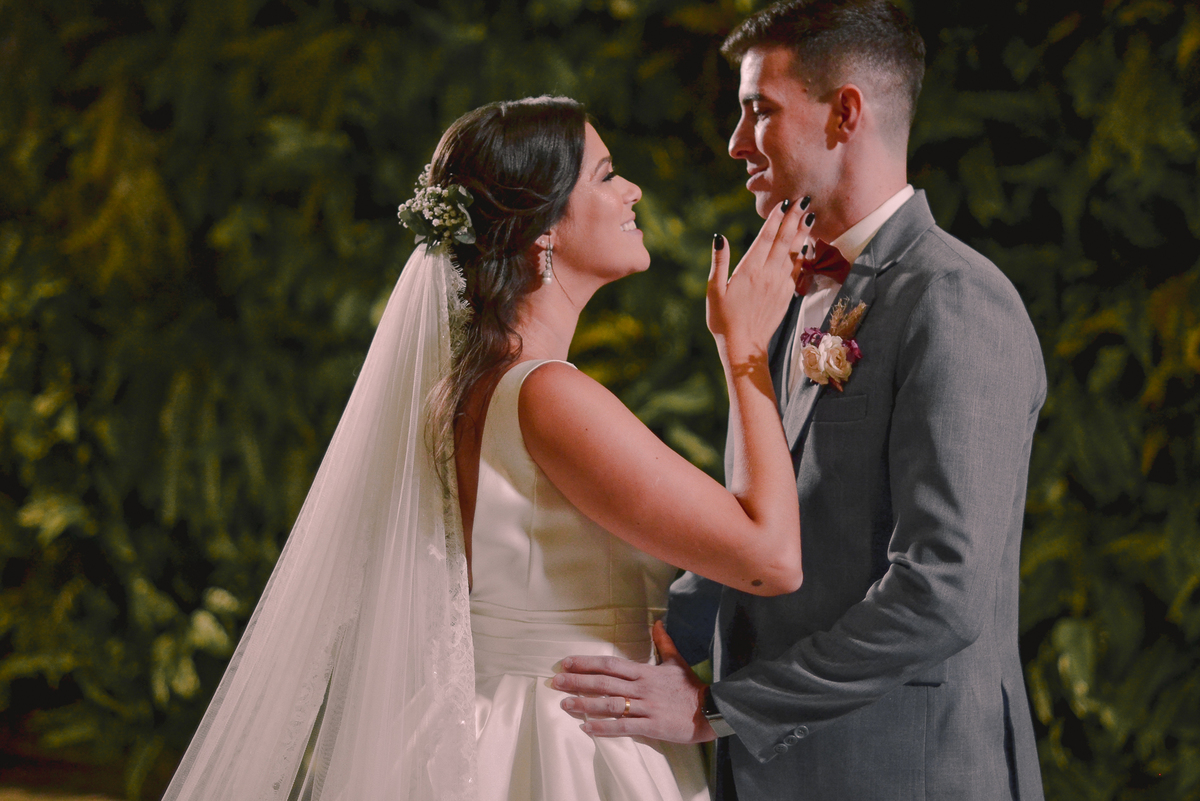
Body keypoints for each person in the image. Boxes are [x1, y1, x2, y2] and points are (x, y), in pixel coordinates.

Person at [162, 95, 816, 801]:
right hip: (563, 745)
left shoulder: (466, 389)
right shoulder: (549, 395)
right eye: (605, 175)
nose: (631, 191)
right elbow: (770, 559)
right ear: (543, 232)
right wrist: (744, 348)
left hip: (488, 726)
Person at [552, 2, 1048, 799]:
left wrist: (722, 708)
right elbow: (763, 526)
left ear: (846, 113)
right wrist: (659, 643)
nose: (735, 143)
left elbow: (942, 592)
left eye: (759, 111)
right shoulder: (784, 293)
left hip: (904, 774)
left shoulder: (956, 299)